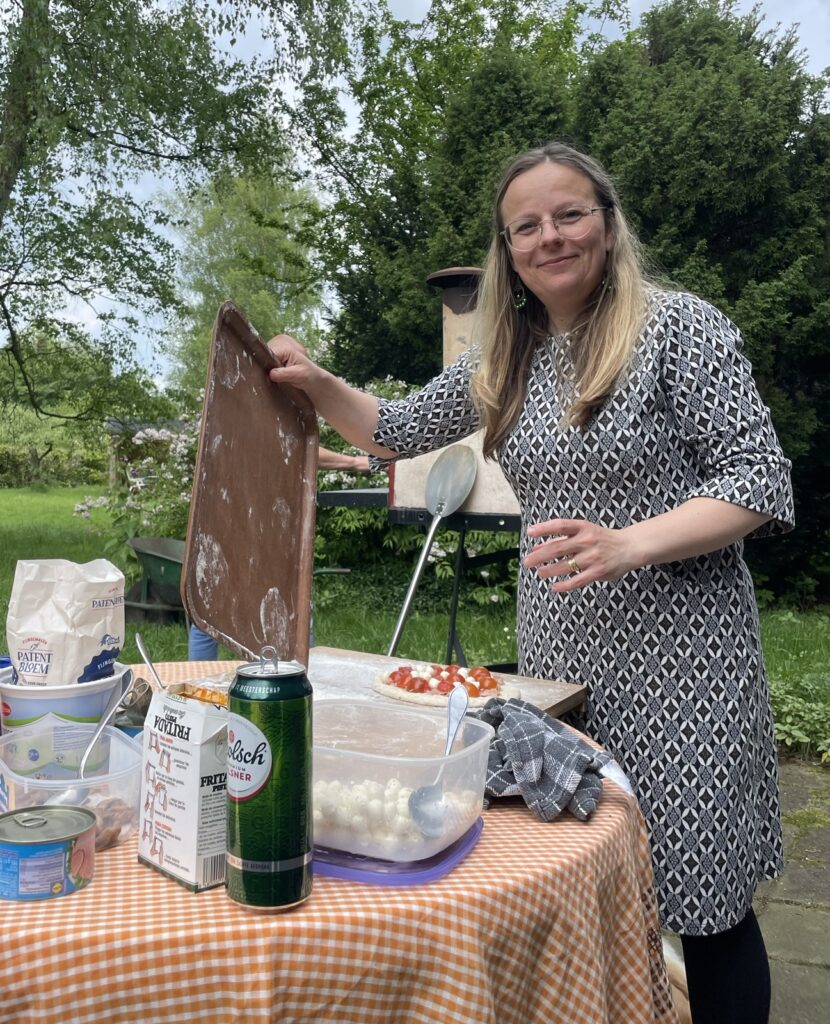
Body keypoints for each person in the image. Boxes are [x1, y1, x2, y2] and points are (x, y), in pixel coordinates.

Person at [267, 141, 793, 1022]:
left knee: (703, 902)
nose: (550, 236)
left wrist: (629, 543)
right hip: (561, 667)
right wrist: (318, 382)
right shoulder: (509, 359)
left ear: (608, 224)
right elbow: (394, 430)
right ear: (507, 252)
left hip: (685, 666)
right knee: (585, 876)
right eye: (527, 226)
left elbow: (758, 479)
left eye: (570, 214)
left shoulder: (678, 329)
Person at [187, 444, 371, 659]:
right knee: (292, 612)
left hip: (227, 518)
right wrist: (355, 462)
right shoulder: (255, 416)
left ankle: (197, 686)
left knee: (210, 612)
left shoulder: (227, 417)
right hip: (254, 524)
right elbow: (297, 445)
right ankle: (297, 678)